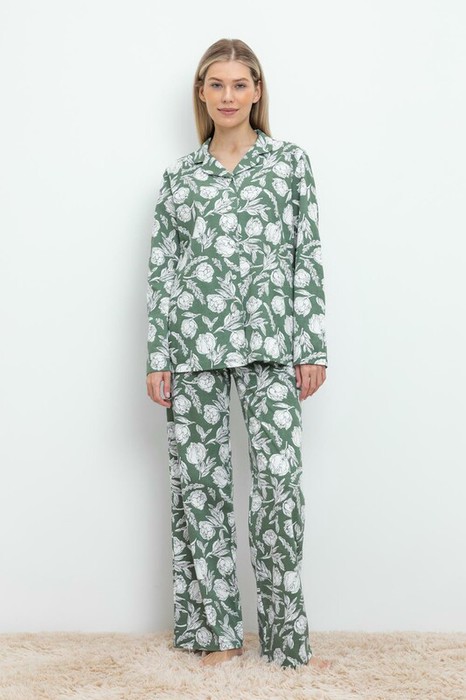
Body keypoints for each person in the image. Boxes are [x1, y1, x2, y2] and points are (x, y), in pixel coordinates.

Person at [146, 37, 332, 671]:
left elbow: (306, 255)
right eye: (216, 84)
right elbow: (164, 271)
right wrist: (159, 355)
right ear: (201, 93)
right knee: (201, 489)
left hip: (274, 343)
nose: (228, 96)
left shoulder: (289, 164)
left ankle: (285, 640)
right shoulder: (179, 177)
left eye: (240, 84)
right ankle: (216, 632)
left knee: (279, 487)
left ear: (257, 92)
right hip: (192, 344)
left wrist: (311, 344)